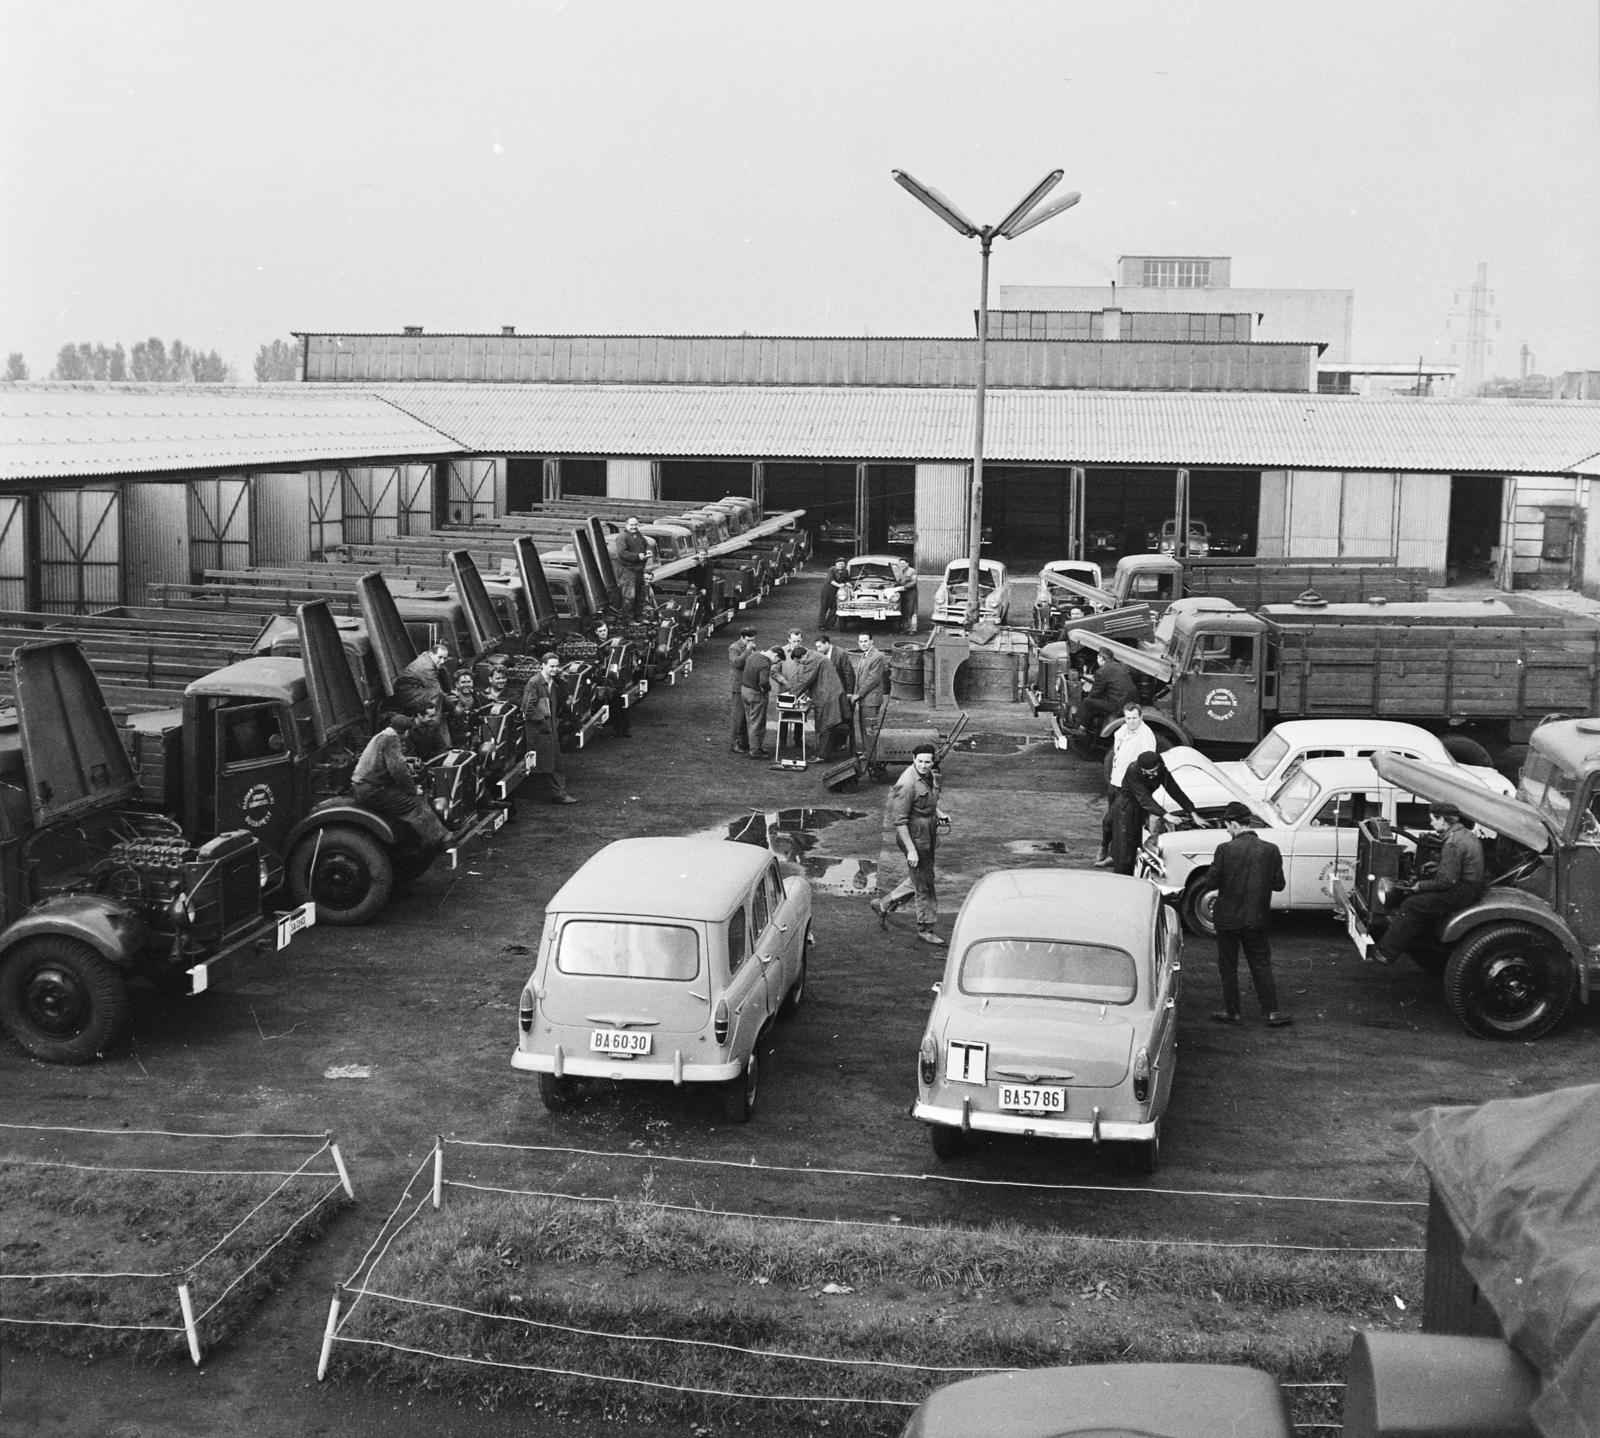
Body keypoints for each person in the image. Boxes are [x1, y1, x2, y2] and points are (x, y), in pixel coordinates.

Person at [1208, 800, 1292, 1027]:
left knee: (1228, 965)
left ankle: (1233, 1012)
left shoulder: (1224, 849)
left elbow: (1211, 881)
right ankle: (1272, 1012)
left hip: (1226, 920)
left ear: (1235, 824)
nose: (1227, 830)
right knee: (1261, 964)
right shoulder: (1271, 850)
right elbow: (1279, 885)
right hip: (1256, 918)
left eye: (1227, 826)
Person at [1374, 802, 1487, 966]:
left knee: (1412, 904)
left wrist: (1420, 886)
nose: (1431, 823)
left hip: (1462, 892)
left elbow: (1447, 881)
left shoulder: (1452, 842)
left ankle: (1386, 953)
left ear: (1442, 820)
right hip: (1469, 887)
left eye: (1433, 819)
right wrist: (1437, 867)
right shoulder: (1464, 835)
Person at [871, 743, 950, 945]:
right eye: (920, 761)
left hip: (928, 830)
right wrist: (911, 850)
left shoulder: (928, 775)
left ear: (933, 762)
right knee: (925, 885)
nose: (923, 765)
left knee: (922, 876)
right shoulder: (906, 783)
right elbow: (900, 821)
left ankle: (884, 904)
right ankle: (926, 928)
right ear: (913, 759)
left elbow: (928, 800)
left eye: (927, 761)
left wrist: (938, 813)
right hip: (914, 835)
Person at [351, 713, 450, 849]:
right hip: (371, 790)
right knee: (416, 802)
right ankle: (442, 839)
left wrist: (406, 761)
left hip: (366, 786)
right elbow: (397, 770)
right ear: (406, 731)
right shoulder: (392, 739)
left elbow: (387, 761)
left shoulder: (383, 735)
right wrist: (413, 789)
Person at [1113, 748, 1198, 875]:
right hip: (1126, 807)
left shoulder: (1161, 769)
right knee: (1125, 847)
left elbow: (1175, 790)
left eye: (1157, 769)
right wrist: (1166, 815)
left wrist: (1193, 812)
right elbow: (1144, 798)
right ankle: (1121, 877)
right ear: (1142, 769)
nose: (1156, 774)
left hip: (1141, 808)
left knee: (1136, 844)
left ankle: (1133, 874)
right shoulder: (1133, 770)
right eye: (1152, 772)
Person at [1095, 701, 1157, 868]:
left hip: (1128, 788)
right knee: (1114, 821)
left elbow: (1148, 761)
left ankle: (1109, 850)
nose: (1131, 722)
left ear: (1141, 717)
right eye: (1128, 718)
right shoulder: (1122, 730)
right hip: (1115, 782)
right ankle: (1112, 852)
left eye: (1134, 718)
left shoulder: (1146, 735)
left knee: (1116, 822)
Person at [521, 651, 576, 804]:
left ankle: (559, 792)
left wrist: (560, 678)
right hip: (540, 730)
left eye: (557, 666)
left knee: (554, 762)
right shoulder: (535, 682)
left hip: (550, 728)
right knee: (551, 763)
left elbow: (565, 695)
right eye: (551, 666)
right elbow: (527, 708)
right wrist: (543, 722)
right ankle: (558, 794)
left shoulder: (553, 681)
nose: (554, 669)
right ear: (542, 666)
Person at [790, 640, 847, 758]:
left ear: (804, 656)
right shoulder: (815, 656)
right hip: (828, 694)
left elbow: (806, 680)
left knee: (824, 725)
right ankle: (823, 752)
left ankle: (822, 755)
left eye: (800, 661)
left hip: (827, 697)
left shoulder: (812, 660)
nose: (800, 664)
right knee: (825, 725)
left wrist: (791, 695)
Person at [1080, 653, 1139, 738]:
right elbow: (1137, 674)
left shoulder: (1101, 671)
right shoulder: (1123, 665)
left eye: (1097, 658)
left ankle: (1081, 729)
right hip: (1133, 699)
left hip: (1118, 703)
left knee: (1087, 702)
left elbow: (1094, 694)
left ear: (1101, 658)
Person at [814, 633, 856, 755]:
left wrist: (849, 693)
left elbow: (849, 674)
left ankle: (841, 743)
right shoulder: (820, 655)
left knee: (843, 718)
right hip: (829, 694)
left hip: (841, 693)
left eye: (820, 647)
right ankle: (832, 744)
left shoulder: (840, 654)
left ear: (827, 644)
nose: (818, 650)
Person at [740, 644, 778, 760]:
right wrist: (768, 689)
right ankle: (755, 751)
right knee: (757, 723)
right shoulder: (765, 664)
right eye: (778, 660)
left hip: (745, 691)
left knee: (750, 721)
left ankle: (756, 746)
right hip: (756, 695)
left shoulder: (754, 655)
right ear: (775, 655)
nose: (776, 663)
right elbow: (764, 682)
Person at [850, 631, 889, 735]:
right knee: (864, 726)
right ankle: (866, 750)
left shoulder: (876, 656)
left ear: (871, 641)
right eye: (861, 641)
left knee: (869, 729)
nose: (863, 644)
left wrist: (859, 694)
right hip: (865, 698)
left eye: (866, 641)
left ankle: (871, 751)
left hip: (871, 699)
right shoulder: (865, 654)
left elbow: (873, 679)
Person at [728, 626, 757, 753]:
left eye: (752, 640)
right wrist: (747, 650)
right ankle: (735, 743)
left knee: (747, 717)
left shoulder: (750, 646)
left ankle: (744, 742)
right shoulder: (734, 648)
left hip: (748, 685)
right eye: (748, 640)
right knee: (738, 717)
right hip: (738, 687)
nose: (750, 643)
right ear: (742, 638)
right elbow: (737, 663)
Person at [617, 517, 652, 620]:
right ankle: (628, 619)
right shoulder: (622, 537)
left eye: (636, 525)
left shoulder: (639, 535)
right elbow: (622, 553)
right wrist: (637, 556)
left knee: (641, 594)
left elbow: (646, 545)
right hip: (628, 571)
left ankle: (639, 617)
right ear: (626, 525)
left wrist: (648, 551)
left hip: (639, 569)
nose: (634, 527)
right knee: (629, 596)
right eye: (631, 525)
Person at [819, 557, 850, 627]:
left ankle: (829, 625)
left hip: (836, 592)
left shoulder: (845, 571)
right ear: (836, 564)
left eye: (843, 564)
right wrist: (839, 585)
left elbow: (846, 580)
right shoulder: (831, 570)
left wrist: (847, 583)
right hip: (827, 590)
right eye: (840, 564)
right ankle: (821, 625)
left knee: (834, 608)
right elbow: (831, 580)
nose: (841, 565)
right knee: (824, 608)